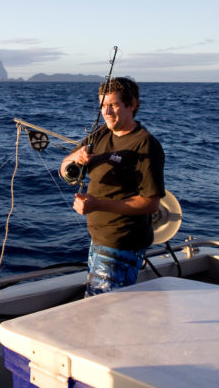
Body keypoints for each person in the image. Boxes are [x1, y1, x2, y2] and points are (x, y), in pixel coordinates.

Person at [60, 77, 165, 297]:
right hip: (98, 240)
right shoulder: (101, 133)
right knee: (99, 306)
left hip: (121, 244)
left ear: (132, 105)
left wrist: (98, 204)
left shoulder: (145, 144)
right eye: (103, 105)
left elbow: (151, 203)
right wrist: (74, 161)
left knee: (105, 310)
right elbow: (64, 166)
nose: (106, 112)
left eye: (114, 105)